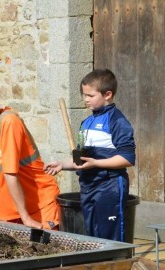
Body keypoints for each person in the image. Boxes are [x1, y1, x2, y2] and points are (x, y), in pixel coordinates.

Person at [45, 69, 136, 242]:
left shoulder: (117, 121)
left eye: (90, 95)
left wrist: (96, 163)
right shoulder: (86, 123)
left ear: (107, 94)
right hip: (88, 187)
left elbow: (127, 158)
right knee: (92, 237)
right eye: (84, 94)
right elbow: (82, 161)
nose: (85, 99)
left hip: (110, 187)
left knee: (111, 238)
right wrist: (62, 164)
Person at [0, 82, 60, 230]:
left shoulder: (9, 122)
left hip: (39, 208)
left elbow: (10, 172)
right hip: (8, 213)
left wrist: (26, 219)